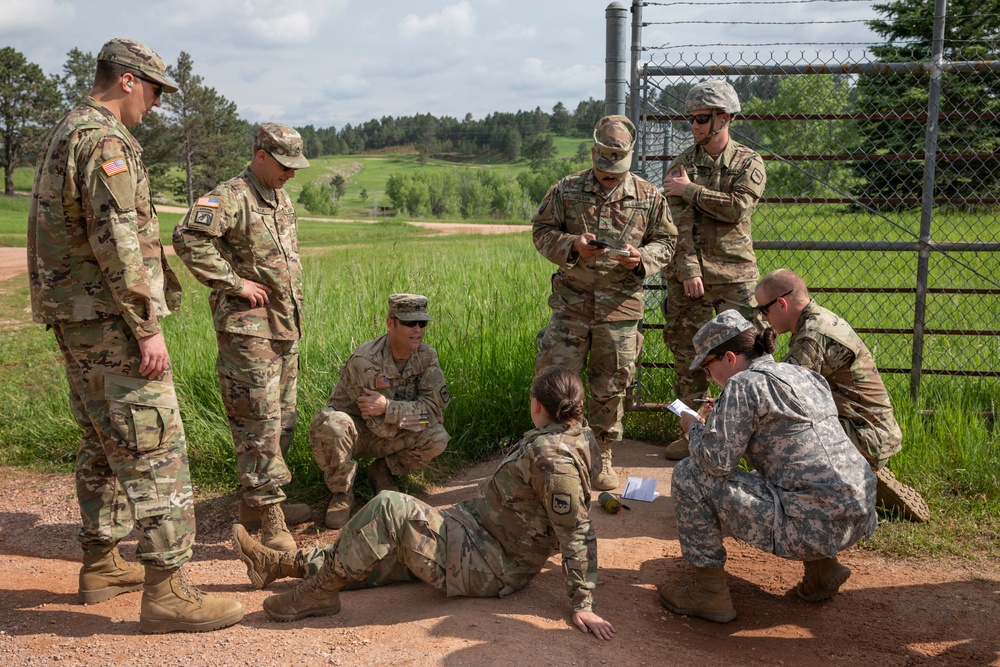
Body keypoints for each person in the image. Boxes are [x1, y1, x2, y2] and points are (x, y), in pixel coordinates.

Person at [26, 37, 243, 633]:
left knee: (104, 440)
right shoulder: (105, 140)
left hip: (77, 318)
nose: (155, 103)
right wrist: (146, 326)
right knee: (154, 445)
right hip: (110, 321)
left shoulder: (68, 128)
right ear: (126, 80)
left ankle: (101, 562)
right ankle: (169, 590)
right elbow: (117, 238)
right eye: (152, 90)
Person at [232, 365, 616, 640]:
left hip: (491, 564)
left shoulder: (553, 459)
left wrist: (583, 602)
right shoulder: (576, 435)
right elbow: (589, 486)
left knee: (390, 507)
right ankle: (281, 564)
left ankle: (318, 595)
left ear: (536, 404)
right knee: (383, 546)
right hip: (475, 537)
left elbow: (577, 530)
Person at [658, 311, 877, 623]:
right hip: (860, 514)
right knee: (794, 477)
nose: (708, 377)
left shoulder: (743, 385)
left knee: (688, 475)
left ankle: (709, 592)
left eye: (708, 367)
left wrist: (693, 427)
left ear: (730, 358)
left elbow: (714, 462)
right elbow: (788, 452)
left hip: (811, 527)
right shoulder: (804, 375)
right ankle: (823, 567)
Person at [173, 123, 312, 551]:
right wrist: (235, 284)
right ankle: (270, 519)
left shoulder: (280, 198)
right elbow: (187, 238)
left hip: (283, 328)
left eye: (295, 166)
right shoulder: (229, 196)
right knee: (258, 421)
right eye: (284, 165)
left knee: (283, 419)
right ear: (261, 155)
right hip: (248, 333)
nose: (291, 173)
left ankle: (257, 503)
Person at [533, 114, 677, 491]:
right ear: (594, 152)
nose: (608, 176)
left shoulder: (648, 197)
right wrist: (573, 246)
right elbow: (541, 230)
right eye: (603, 168)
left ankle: (601, 456)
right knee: (555, 377)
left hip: (620, 308)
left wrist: (642, 259)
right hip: (572, 305)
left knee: (610, 384)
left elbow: (667, 241)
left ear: (630, 156)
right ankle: (552, 452)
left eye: (616, 170)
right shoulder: (566, 190)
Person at [754, 269, 930, 522]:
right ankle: (858, 477)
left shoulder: (814, 335)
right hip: (864, 428)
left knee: (776, 431)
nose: (763, 318)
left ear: (781, 304)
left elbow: (778, 393)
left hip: (866, 434)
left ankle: (827, 494)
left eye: (764, 311)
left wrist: (735, 402)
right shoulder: (815, 321)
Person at [660, 79, 767, 461]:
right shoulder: (681, 165)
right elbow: (676, 227)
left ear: (725, 118)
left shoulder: (749, 162)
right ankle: (689, 431)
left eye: (702, 118)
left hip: (734, 277)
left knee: (746, 358)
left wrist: (691, 190)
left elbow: (738, 207)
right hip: (689, 279)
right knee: (685, 357)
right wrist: (689, 269)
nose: (695, 126)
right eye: (691, 119)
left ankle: (746, 438)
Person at [309, 294, 451, 529]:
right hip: (358, 432)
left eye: (422, 323)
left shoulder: (427, 356)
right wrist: (418, 415)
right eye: (408, 323)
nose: (417, 330)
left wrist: (389, 407)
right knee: (333, 425)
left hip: (392, 427)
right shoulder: (366, 360)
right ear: (390, 323)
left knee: (437, 436)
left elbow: (435, 410)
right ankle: (342, 492)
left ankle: (382, 470)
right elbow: (378, 424)